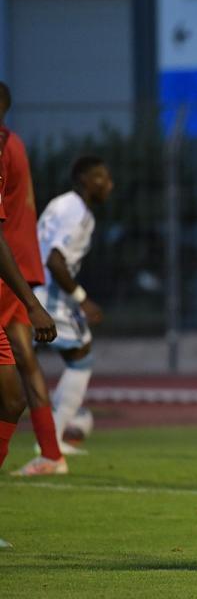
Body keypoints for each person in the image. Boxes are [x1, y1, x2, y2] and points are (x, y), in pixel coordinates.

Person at [0, 82, 68, 476]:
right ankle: (51, 451)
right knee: (23, 367)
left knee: (16, 376)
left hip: (7, 266)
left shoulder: (4, 147)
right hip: (21, 263)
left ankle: (52, 452)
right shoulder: (17, 144)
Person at [32, 155, 113, 453]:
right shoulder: (78, 213)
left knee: (15, 365)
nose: (109, 185)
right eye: (102, 178)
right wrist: (83, 299)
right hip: (47, 298)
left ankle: (53, 436)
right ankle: (51, 442)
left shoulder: (60, 203)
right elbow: (55, 259)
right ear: (84, 179)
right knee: (82, 354)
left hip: (27, 290)